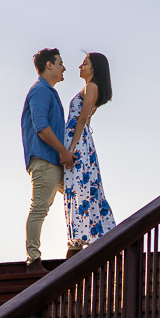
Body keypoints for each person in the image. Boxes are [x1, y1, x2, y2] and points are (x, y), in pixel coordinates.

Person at [20, 48, 74, 270]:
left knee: (76, 197)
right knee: (40, 208)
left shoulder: (49, 91)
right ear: (49, 65)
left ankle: (75, 248)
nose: (64, 68)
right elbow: (41, 126)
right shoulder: (40, 91)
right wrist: (63, 151)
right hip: (45, 160)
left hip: (55, 161)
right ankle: (33, 259)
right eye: (60, 63)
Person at [62, 52, 116, 257]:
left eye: (85, 64)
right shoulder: (89, 88)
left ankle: (84, 237)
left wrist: (71, 148)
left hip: (78, 142)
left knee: (81, 188)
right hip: (81, 141)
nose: (80, 66)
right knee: (82, 188)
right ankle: (81, 236)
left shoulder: (91, 87)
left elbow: (83, 118)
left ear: (95, 69)